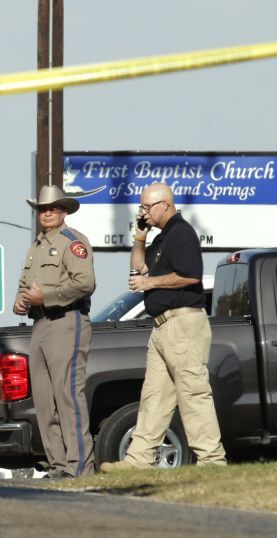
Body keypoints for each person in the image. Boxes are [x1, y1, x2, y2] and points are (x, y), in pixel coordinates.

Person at [101, 183, 226, 471]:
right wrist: (140, 238)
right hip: (161, 327)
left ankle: (212, 460)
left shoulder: (181, 233)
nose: (142, 212)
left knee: (193, 393)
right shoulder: (160, 239)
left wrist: (151, 283)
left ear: (165, 205)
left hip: (182, 323)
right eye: (141, 206)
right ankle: (138, 460)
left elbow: (191, 275)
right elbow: (138, 270)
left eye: (147, 207)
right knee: (154, 397)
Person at [13, 184, 96, 477]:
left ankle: (80, 468)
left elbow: (85, 284)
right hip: (40, 324)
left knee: (68, 395)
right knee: (45, 401)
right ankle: (59, 466)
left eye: (53, 208)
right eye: (42, 209)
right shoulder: (35, 246)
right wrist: (21, 301)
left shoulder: (73, 241)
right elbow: (25, 286)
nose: (47, 213)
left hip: (66, 321)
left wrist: (45, 297)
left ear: (63, 211)